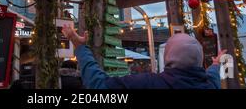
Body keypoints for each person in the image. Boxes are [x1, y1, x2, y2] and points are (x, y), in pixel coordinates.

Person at [62, 24, 225, 89]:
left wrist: (79, 45)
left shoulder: (149, 83)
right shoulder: (210, 85)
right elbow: (212, 75)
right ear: (200, 60)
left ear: (167, 57)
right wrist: (216, 64)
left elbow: (98, 85)